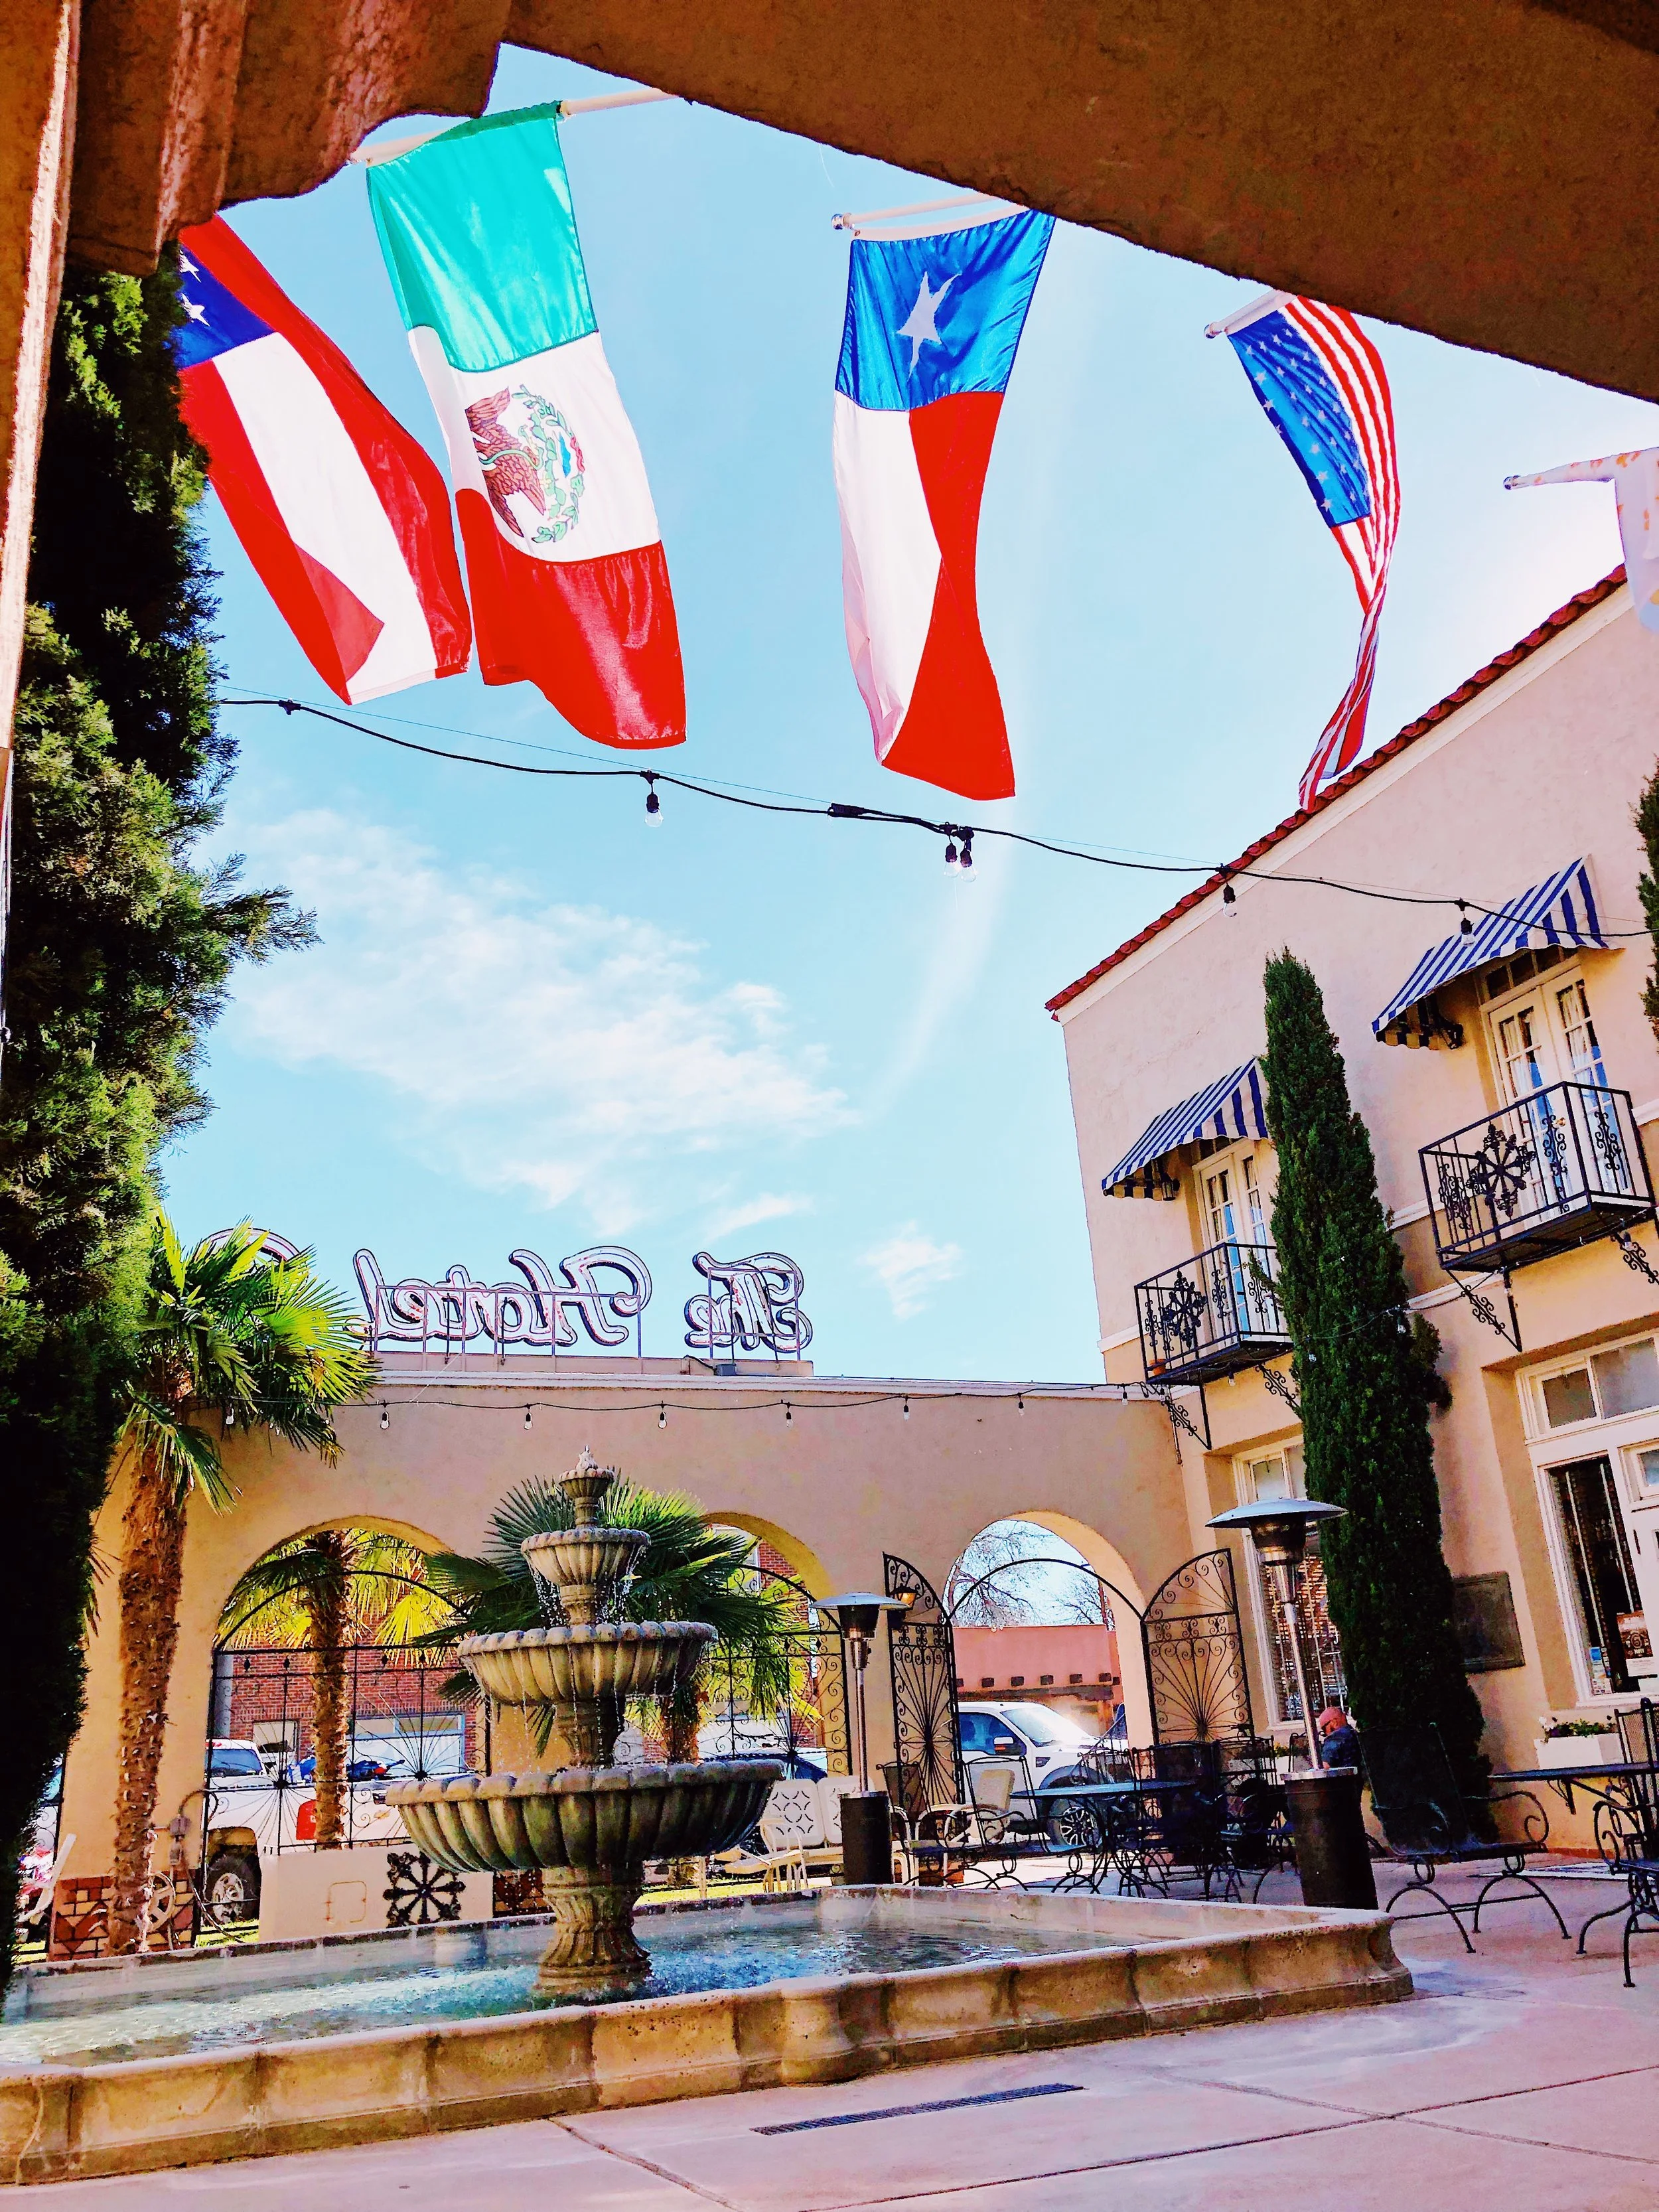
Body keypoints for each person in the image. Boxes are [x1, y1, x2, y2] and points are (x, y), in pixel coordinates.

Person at [1316, 1705, 1362, 1772]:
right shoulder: (1353, 1734)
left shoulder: (1336, 1738)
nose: (1325, 1733)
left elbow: (1325, 1766)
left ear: (1334, 1722)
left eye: (1324, 1728)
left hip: (1343, 1780)